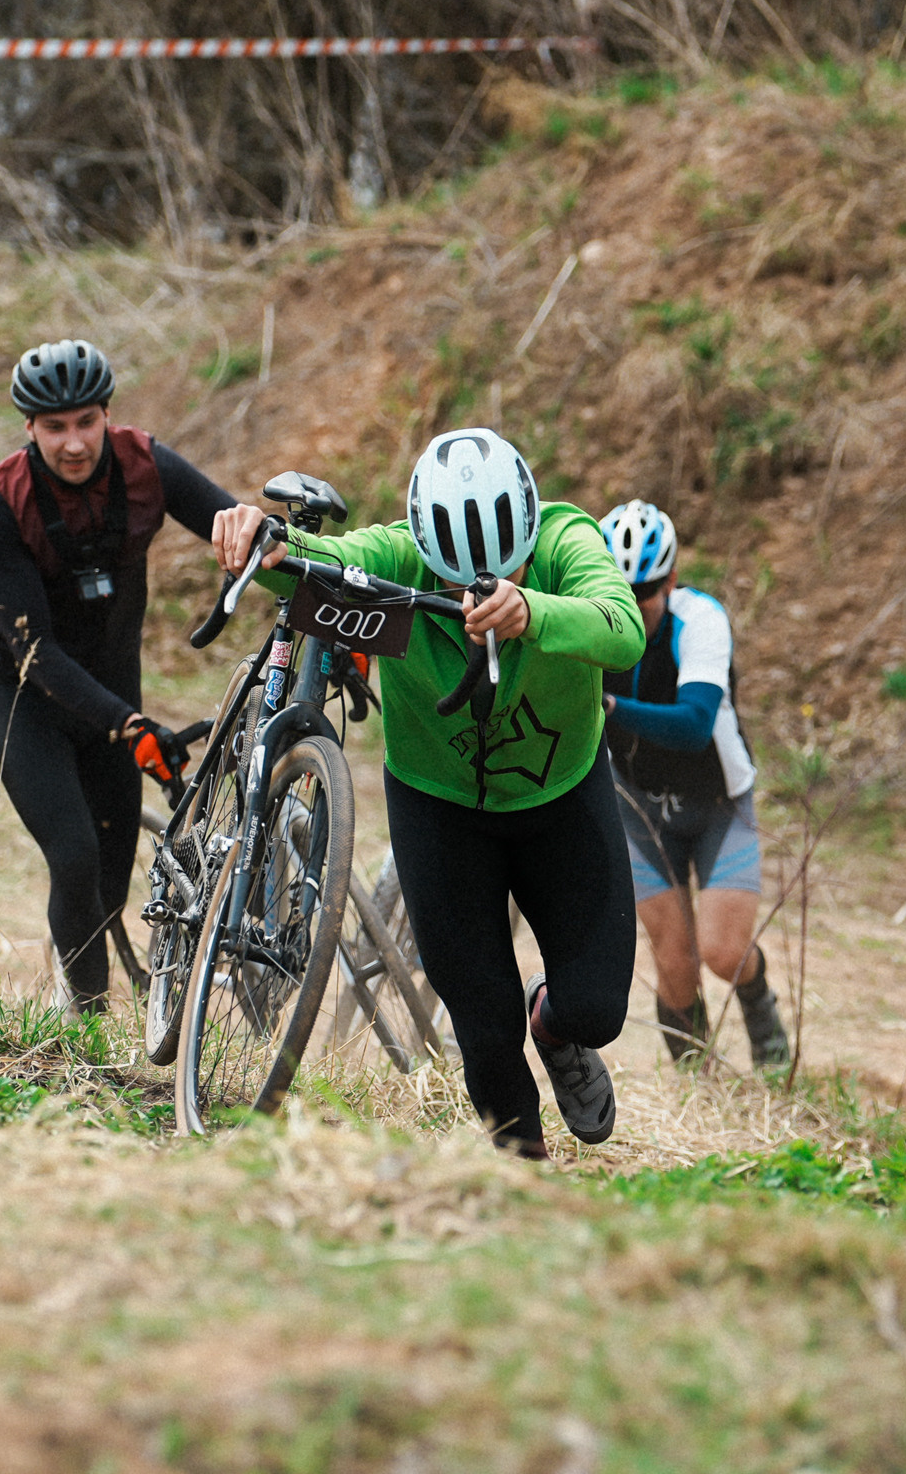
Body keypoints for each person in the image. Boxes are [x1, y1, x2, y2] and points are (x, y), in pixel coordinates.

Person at [217, 429, 645, 1159]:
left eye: (496, 574)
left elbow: (624, 627)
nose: (468, 597)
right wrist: (263, 539)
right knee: (485, 1029)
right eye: (449, 582)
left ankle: (556, 1027)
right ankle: (524, 1183)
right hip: (439, 810)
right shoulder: (397, 553)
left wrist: (532, 611)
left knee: (597, 1008)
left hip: (563, 796)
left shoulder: (566, 538)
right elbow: (325, 565)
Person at [0, 339, 268, 1014]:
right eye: (55, 428)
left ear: (106, 415)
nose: (73, 443)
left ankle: (75, 1003)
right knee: (72, 855)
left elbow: (232, 522)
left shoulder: (145, 465)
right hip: (25, 694)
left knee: (107, 881)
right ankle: (86, 1029)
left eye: (86, 422)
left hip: (110, 689)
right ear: (29, 429)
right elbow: (33, 648)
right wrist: (129, 725)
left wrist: (258, 528)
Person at [595, 500, 788, 1068]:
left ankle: (761, 1013)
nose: (633, 607)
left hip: (717, 806)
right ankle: (698, 1090)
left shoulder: (700, 620)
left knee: (724, 954)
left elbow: (694, 724)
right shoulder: (593, 622)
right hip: (637, 809)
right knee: (675, 965)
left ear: (672, 581)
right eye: (620, 593)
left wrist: (608, 705)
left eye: (647, 592)